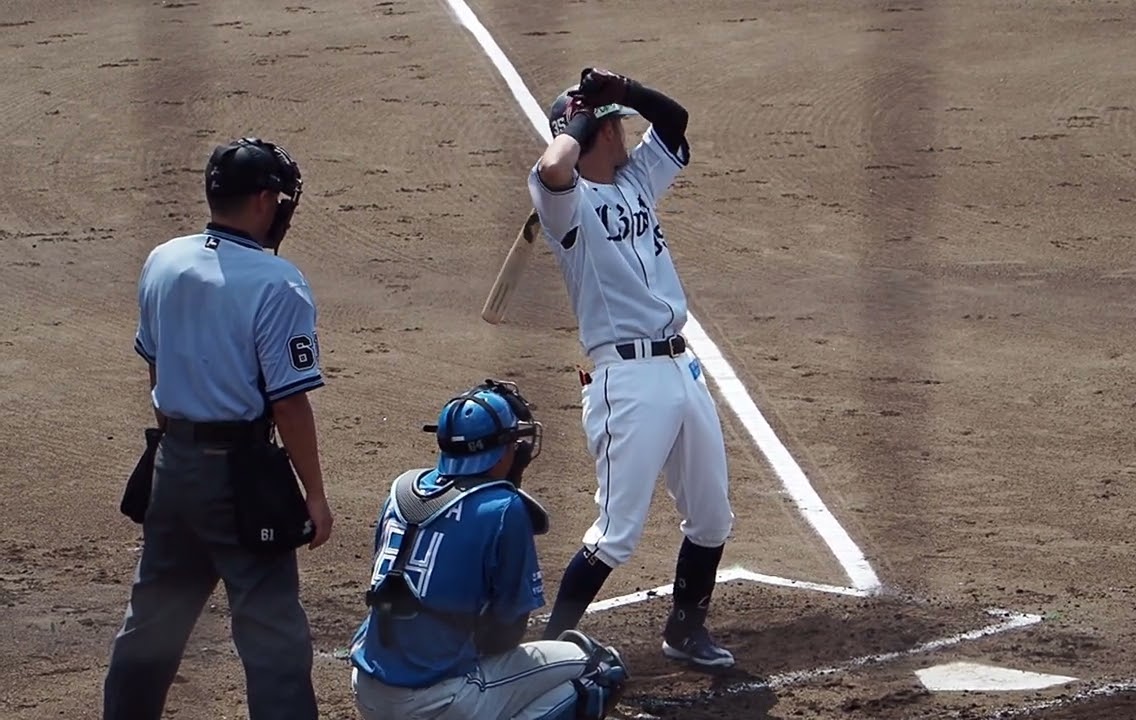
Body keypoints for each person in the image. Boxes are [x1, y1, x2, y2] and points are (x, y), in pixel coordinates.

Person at [103, 137, 333, 720]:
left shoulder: (164, 259)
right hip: (241, 479)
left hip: (171, 467)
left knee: (151, 626)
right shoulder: (278, 282)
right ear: (264, 200)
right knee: (273, 638)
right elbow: (289, 403)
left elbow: (156, 367)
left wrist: (179, 442)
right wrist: (314, 494)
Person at [526, 68, 737, 668]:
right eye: (616, 124)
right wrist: (582, 118)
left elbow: (675, 120)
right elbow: (554, 165)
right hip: (626, 380)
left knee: (712, 517)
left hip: (681, 368)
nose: (625, 132)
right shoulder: (566, 206)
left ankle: (685, 631)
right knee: (616, 532)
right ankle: (545, 652)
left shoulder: (636, 180)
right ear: (596, 133)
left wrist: (624, 91)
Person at [349, 379, 629, 720]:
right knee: (600, 669)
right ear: (502, 450)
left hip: (367, 689)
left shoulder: (401, 491)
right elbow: (507, 634)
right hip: (435, 702)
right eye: (514, 443)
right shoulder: (504, 509)